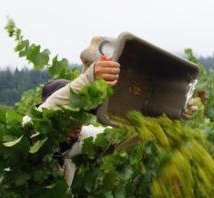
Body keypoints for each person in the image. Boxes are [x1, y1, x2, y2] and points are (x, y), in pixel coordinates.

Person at [39, 36, 197, 186]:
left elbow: (121, 136)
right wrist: (89, 78)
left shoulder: (77, 142)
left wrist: (174, 114)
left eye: (78, 116)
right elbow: (47, 110)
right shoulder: (29, 134)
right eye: (67, 117)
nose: (77, 123)